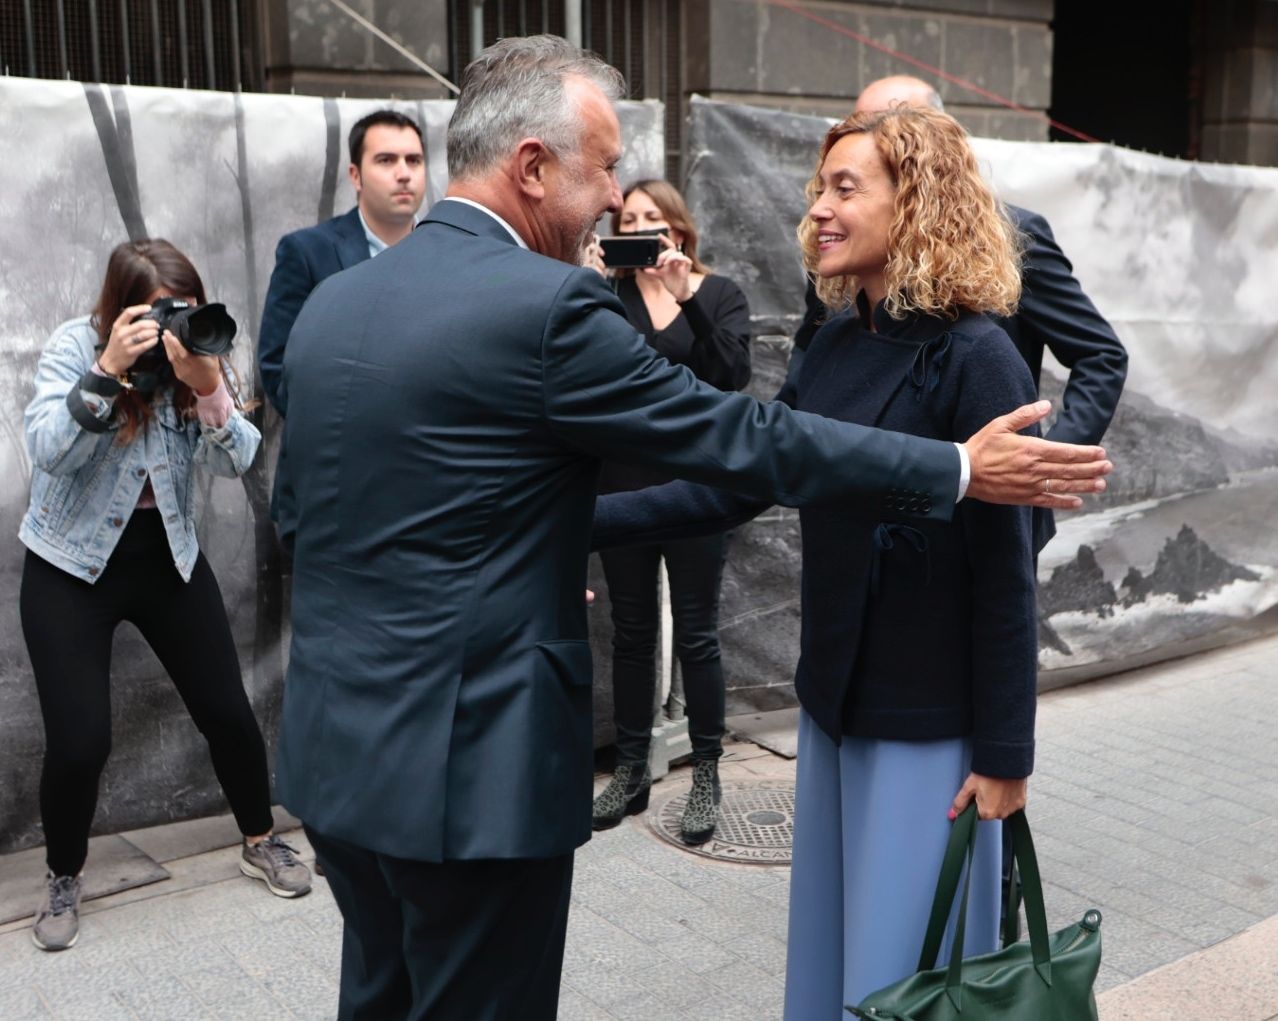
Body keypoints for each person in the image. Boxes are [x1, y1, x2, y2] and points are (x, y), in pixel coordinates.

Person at [272, 35, 1108, 1021]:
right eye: (606, 167)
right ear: (535, 168)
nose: (615, 194)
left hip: (338, 755)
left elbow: (306, 519)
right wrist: (960, 469)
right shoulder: (554, 308)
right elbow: (741, 445)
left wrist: (1007, 740)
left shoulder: (334, 301)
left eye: (846, 186)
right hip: (471, 777)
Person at [594, 104, 1043, 1018]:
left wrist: (1006, 752)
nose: (821, 212)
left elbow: (1009, 573)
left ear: (914, 202)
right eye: (818, 190)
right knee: (839, 955)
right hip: (834, 708)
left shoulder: (981, 357)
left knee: (906, 972)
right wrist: (582, 519)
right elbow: (736, 485)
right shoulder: (834, 342)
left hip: (929, 725)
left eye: (846, 188)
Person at [20, 239, 311, 953]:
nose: (170, 324)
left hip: (168, 557)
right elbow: (46, 450)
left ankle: (260, 838)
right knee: (82, 739)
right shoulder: (72, 348)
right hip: (69, 564)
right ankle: (64, 874)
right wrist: (109, 371)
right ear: (118, 309)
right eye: (155, 313)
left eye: (178, 308)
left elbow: (238, 459)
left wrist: (208, 385)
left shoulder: (197, 352)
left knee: (227, 711)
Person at [794, 74, 1127, 548]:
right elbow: (810, 352)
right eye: (862, 121)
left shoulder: (1011, 241)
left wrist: (1043, 463)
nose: (875, 134)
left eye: (900, 119)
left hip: (975, 511)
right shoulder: (839, 247)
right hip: (859, 502)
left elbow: (1100, 354)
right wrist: (782, 435)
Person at [588, 180, 752, 844]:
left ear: (678, 227)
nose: (641, 227)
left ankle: (706, 768)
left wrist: (686, 295)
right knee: (631, 632)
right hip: (622, 488)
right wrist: (592, 289)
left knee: (697, 632)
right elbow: (594, 379)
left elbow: (731, 378)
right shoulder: (609, 295)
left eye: (652, 217)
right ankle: (630, 768)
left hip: (695, 487)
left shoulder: (717, 293)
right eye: (628, 220)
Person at [258, 109, 426, 416]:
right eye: (386, 160)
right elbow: (277, 367)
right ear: (355, 175)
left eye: (413, 160)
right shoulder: (307, 252)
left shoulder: (448, 250)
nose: (404, 173)